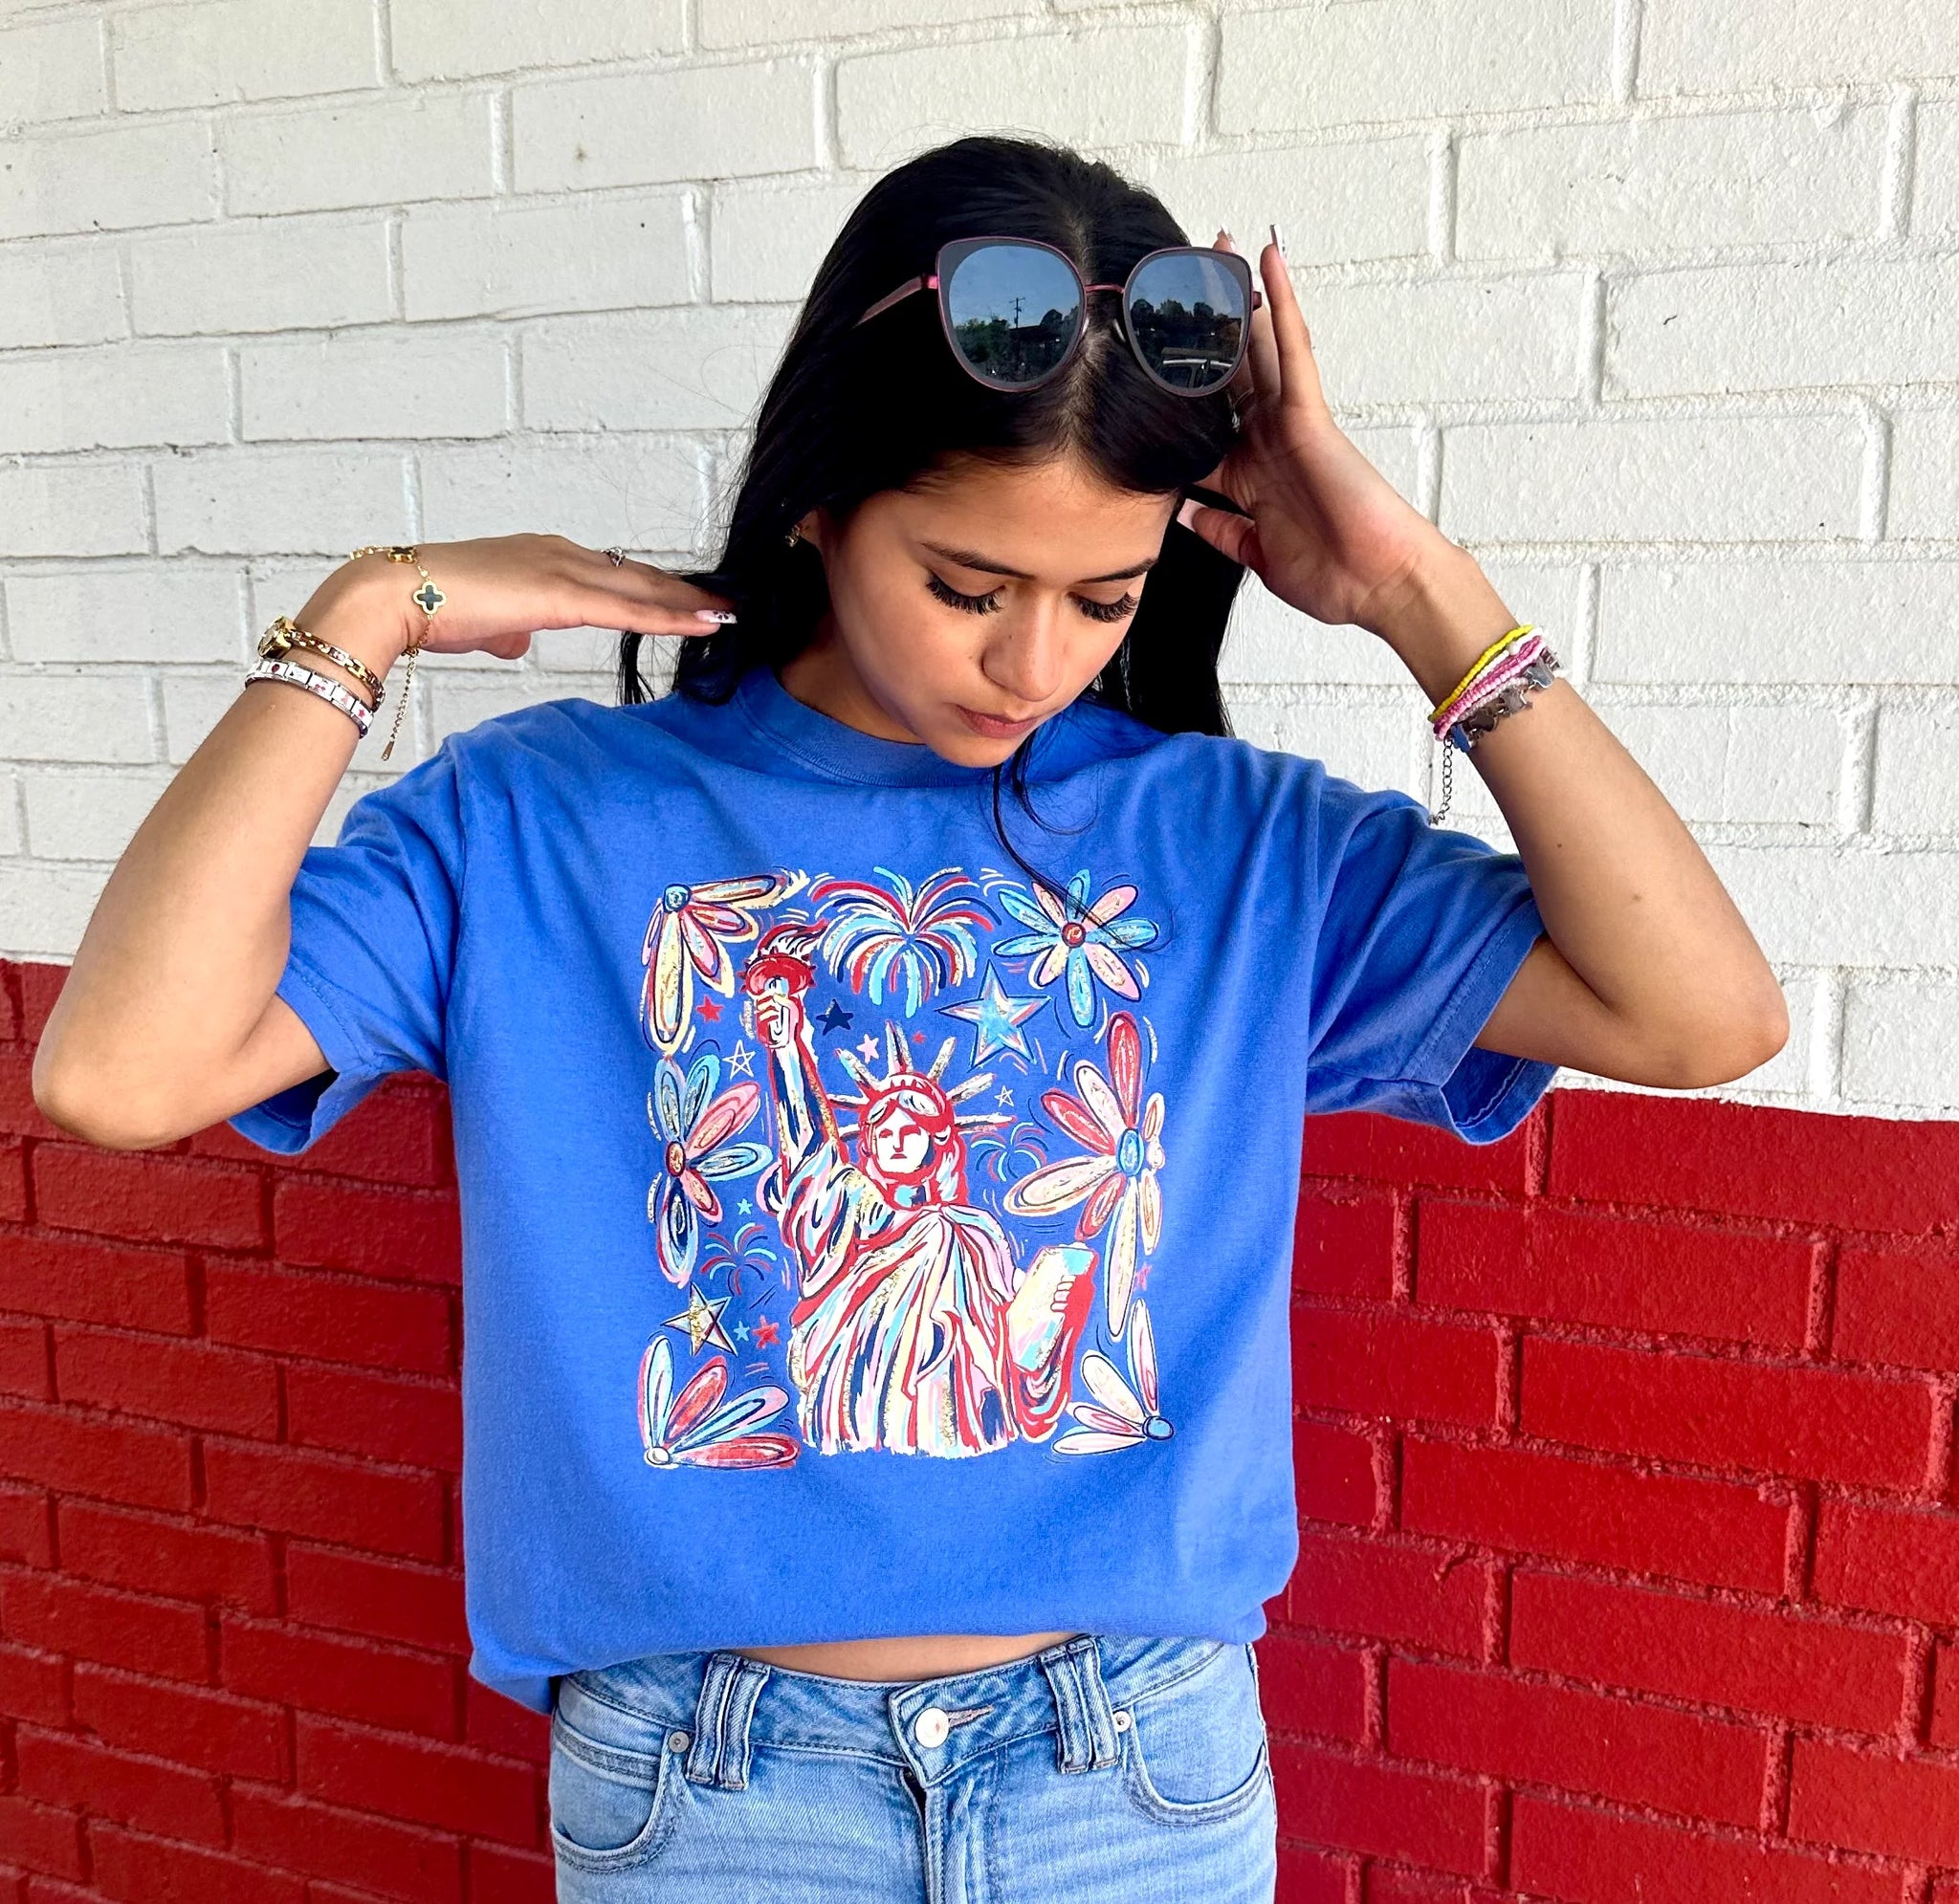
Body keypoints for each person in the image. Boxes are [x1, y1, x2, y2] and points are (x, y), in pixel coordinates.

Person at [32, 135, 1787, 1902]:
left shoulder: (1234, 844)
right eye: (967, 587)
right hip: (714, 1794)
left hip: (1131, 1782)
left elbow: (1700, 1015)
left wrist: (1416, 593)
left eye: (1105, 600)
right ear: (821, 501)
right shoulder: (540, 822)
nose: (1034, 665)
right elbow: (120, 1071)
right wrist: (361, 620)